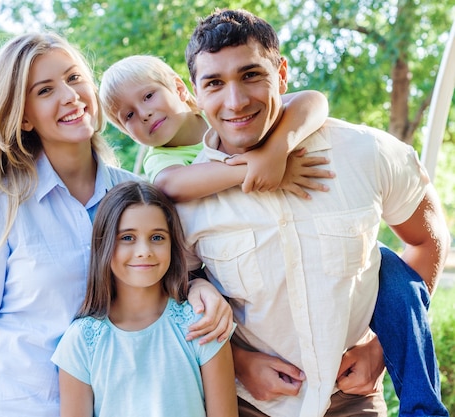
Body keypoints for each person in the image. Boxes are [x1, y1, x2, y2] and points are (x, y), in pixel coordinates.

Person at [0, 32, 233, 417]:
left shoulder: (138, 194)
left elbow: (166, 285)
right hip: (21, 404)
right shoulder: (3, 205)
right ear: (23, 116)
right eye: (45, 90)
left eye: (74, 78)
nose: (69, 96)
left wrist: (199, 286)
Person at [177, 8, 451, 417]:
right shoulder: (183, 200)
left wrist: (380, 348)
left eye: (251, 75)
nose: (235, 100)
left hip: (352, 400)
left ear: (282, 73)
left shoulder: (365, 152)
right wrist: (237, 360)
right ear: (195, 94)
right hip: (247, 403)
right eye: (214, 83)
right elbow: (166, 296)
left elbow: (427, 239)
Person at [52, 180, 238, 417]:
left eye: (157, 237)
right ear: (105, 244)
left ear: (173, 244)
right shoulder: (81, 341)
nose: (144, 251)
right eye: (128, 238)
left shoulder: (201, 324)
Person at [99, 54, 333, 202]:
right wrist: (258, 168)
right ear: (126, 132)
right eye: (129, 115)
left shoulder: (223, 112)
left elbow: (313, 101)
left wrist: (276, 152)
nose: (144, 114)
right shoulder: (160, 158)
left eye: (148, 96)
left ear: (179, 89)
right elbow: (170, 184)